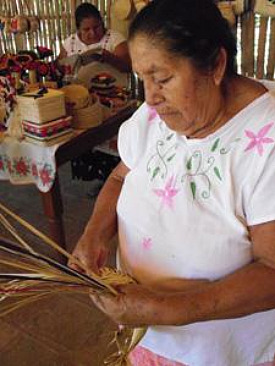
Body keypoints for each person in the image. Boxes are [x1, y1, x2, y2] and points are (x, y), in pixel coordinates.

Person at [69, 0, 275, 365]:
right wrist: (95, 233)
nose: (150, 97)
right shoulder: (154, 115)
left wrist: (171, 308)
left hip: (220, 354)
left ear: (215, 65)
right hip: (148, 337)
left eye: (162, 79)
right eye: (142, 79)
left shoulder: (265, 141)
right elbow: (121, 175)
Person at [58, 2, 131, 86]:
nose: (93, 33)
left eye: (96, 27)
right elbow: (59, 69)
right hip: (80, 94)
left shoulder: (115, 39)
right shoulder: (70, 42)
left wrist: (108, 57)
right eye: (86, 29)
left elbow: (128, 67)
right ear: (78, 29)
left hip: (113, 93)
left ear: (102, 22)